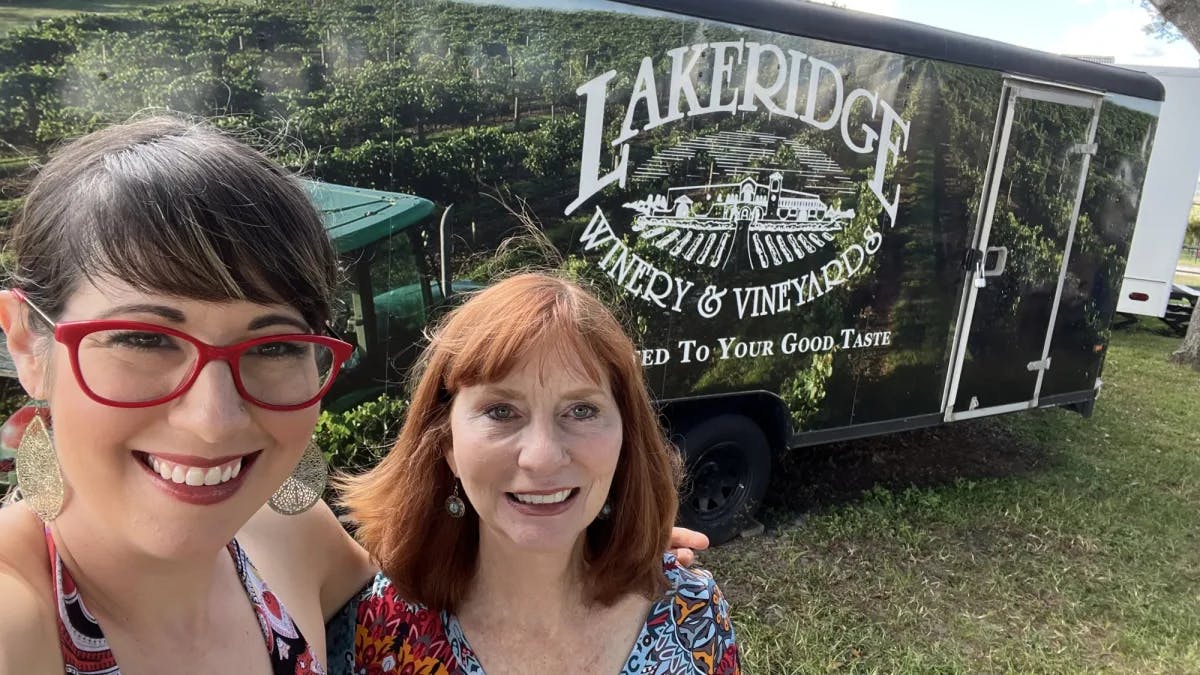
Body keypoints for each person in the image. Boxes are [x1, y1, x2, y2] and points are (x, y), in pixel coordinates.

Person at [0, 117, 708, 674]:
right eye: (146, 338)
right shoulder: (21, 612)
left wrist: (590, 537)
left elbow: (419, 568)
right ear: (29, 342)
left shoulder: (283, 529)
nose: (214, 419)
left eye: (273, 343)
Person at [332, 273, 741, 674]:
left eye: (581, 410)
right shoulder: (382, 629)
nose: (542, 457)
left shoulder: (693, 616)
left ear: (625, 439)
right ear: (447, 445)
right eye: (501, 411)